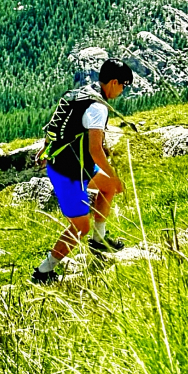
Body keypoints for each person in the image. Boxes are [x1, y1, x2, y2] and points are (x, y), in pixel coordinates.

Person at [32, 59, 134, 285]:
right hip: (68, 172)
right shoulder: (98, 107)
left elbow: (59, 126)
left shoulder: (82, 93)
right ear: (114, 82)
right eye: (123, 85)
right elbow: (95, 150)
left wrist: (46, 146)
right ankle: (43, 272)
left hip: (73, 163)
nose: (123, 89)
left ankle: (100, 240)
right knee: (80, 227)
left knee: (106, 188)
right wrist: (114, 176)